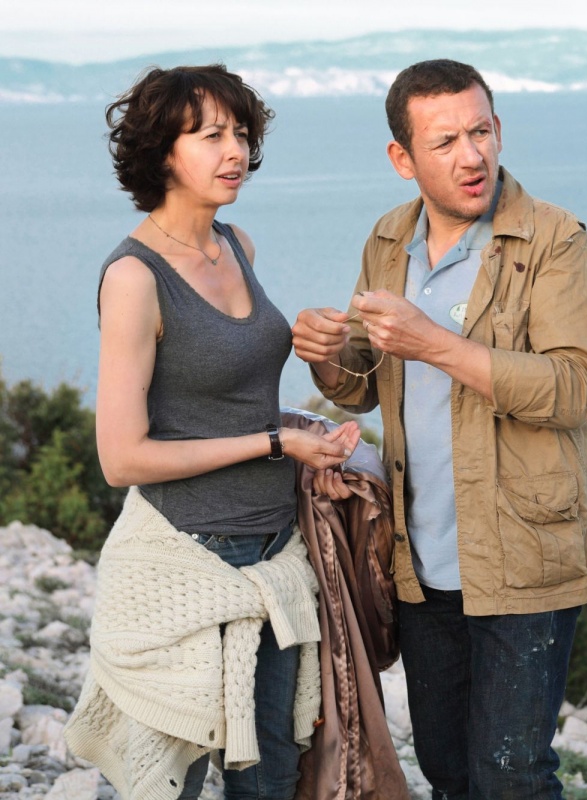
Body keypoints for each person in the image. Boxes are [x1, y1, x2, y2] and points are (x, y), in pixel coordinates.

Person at [290, 59, 587, 800]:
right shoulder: (388, 239)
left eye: (481, 131)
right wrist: (326, 356)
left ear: (499, 130)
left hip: (526, 558)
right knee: (447, 769)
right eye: (446, 141)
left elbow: (573, 388)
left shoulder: (555, 239)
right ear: (403, 159)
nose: (472, 156)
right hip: (421, 559)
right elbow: (362, 383)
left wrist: (434, 343)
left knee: (512, 775)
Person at [64, 65, 359, 800]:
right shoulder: (134, 278)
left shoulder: (237, 244)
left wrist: (317, 375)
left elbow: (238, 395)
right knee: (177, 781)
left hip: (276, 555)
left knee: (273, 776)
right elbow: (121, 457)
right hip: (188, 559)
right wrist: (274, 444)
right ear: (163, 151)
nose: (235, 151)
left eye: (241, 133)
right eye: (210, 136)